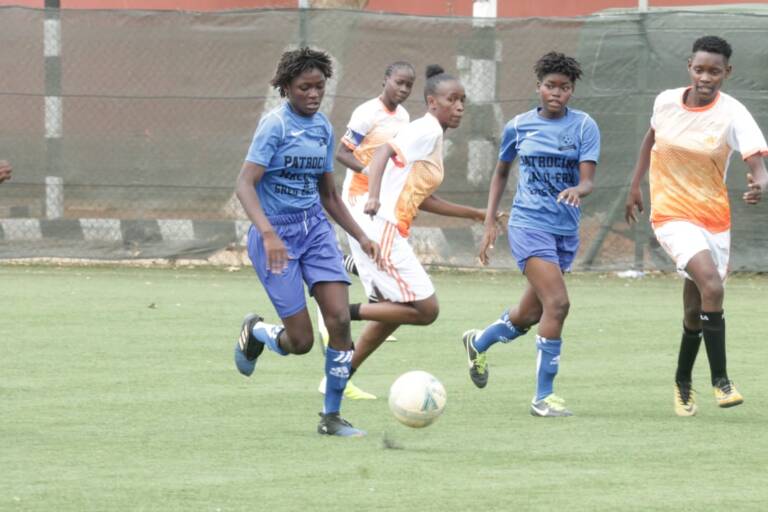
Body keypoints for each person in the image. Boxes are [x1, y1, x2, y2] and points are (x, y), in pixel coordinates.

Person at [233, 47, 380, 437]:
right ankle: (259, 333)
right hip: (275, 235)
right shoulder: (275, 127)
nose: (314, 94)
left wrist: (361, 236)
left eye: (319, 87)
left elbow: (329, 196)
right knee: (299, 342)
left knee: (339, 319)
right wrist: (267, 233)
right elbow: (244, 183)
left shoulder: (322, 128)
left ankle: (331, 417)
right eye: (304, 88)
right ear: (286, 88)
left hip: (314, 229)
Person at [625, 36, 768, 417]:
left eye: (715, 71)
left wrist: (760, 184)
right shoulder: (666, 101)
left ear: (727, 72)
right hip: (671, 213)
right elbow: (651, 138)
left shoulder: (733, 113)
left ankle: (682, 382)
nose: (706, 77)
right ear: (690, 66)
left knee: (695, 311)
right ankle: (721, 380)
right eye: (700, 69)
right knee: (712, 285)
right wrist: (635, 184)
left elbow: (757, 163)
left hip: (713, 217)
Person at [462, 52, 600, 417]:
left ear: (572, 91)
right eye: (550, 86)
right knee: (558, 304)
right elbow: (501, 173)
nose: (557, 93)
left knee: (529, 313)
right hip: (527, 226)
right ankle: (543, 397)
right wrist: (490, 221)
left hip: (564, 231)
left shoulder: (584, 126)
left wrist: (578, 191)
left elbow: (587, 180)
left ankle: (478, 342)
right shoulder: (519, 126)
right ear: (538, 87)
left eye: (565, 87)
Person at [345, 64, 490, 391]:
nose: (459, 106)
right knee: (426, 309)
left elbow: (425, 198)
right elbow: (382, 152)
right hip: (380, 226)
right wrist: (372, 196)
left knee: (391, 312)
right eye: (451, 99)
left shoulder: (431, 137)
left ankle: (341, 375)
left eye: (462, 100)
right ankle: (339, 311)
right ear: (431, 103)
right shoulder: (427, 130)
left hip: (385, 227)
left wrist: (476, 214)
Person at [316, 61, 416, 400]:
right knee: (377, 257)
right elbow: (342, 152)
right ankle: (347, 314)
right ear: (385, 80)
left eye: (408, 86)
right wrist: (370, 170)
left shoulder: (403, 119)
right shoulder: (366, 114)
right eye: (399, 83)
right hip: (359, 197)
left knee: (379, 260)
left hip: (383, 200)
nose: (403, 90)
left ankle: (358, 287)